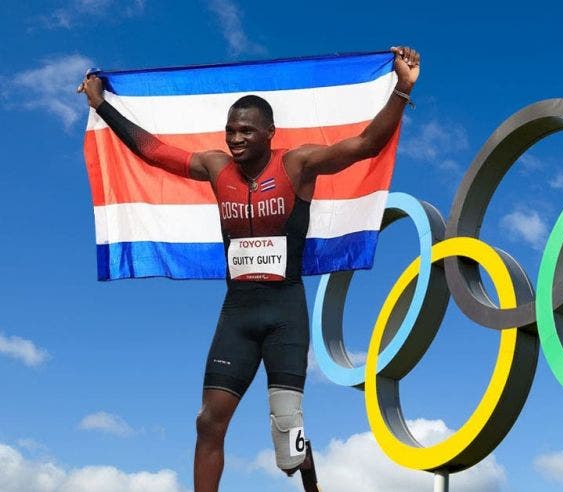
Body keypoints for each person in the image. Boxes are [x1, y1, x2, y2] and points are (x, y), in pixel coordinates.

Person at [78, 46, 421, 492]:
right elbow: (154, 152)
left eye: (245, 131)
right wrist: (102, 104)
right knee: (208, 423)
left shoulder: (298, 164)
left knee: (286, 438)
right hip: (237, 314)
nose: (234, 139)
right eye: (229, 130)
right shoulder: (215, 167)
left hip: (284, 313)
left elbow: (364, 145)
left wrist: (401, 88)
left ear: (269, 134)